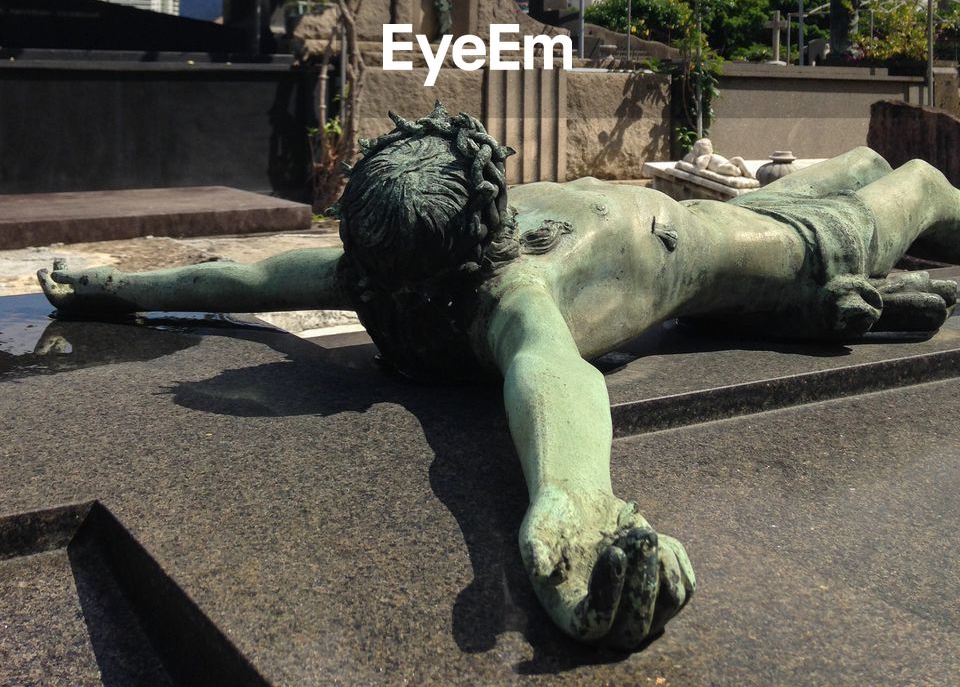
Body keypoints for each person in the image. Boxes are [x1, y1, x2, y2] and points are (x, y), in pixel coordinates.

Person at [38, 103, 959, 652]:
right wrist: (575, 505)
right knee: (914, 183)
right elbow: (555, 383)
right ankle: (820, 301)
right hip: (769, 252)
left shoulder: (388, 275)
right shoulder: (506, 298)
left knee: (864, 162)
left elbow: (248, 280)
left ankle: (832, 309)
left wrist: (120, 289)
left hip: (733, 213)